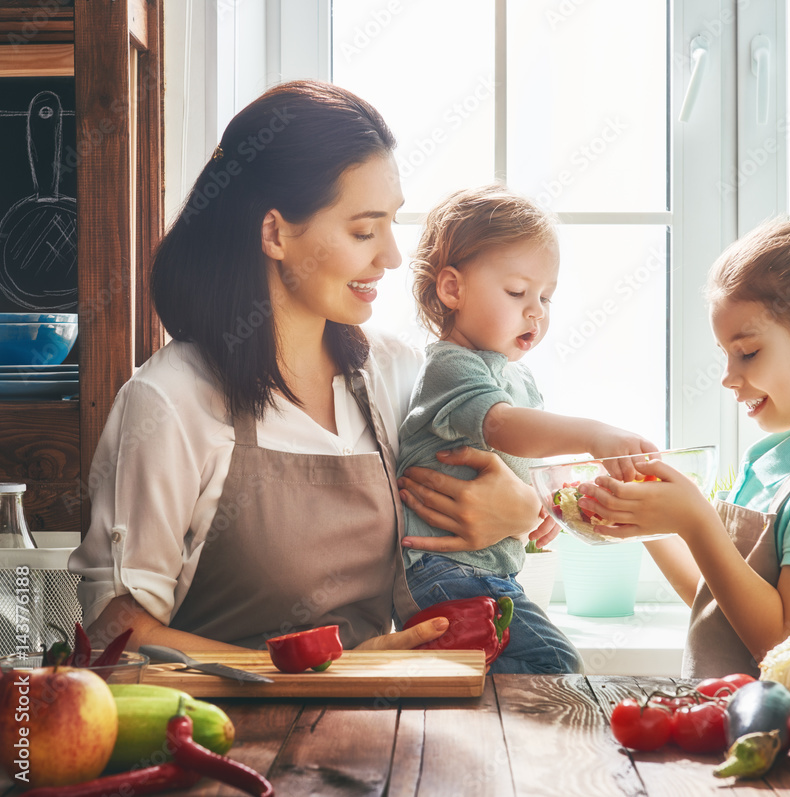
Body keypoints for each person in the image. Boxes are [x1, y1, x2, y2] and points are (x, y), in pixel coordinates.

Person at [68, 81, 556, 653]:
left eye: (391, 225)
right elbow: (113, 632)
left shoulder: (395, 374)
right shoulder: (171, 400)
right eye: (362, 231)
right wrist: (304, 670)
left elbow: (452, 548)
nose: (392, 257)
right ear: (275, 233)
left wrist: (521, 512)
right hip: (227, 730)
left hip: (382, 726)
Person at [578, 219, 790, 677]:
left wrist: (695, 520)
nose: (727, 376)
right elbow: (715, 602)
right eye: (725, 354)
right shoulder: (772, 462)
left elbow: (789, 647)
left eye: (748, 352)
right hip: (738, 727)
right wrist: (648, 521)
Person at [396, 185, 658, 673]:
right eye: (517, 292)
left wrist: (546, 505)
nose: (536, 310)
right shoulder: (450, 365)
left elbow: (526, 456)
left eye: (546, 296)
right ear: (452, 289)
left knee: (519, 671)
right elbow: (500, 426)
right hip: (445, 572)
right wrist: (593, 435)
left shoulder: (519, 378)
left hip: (487, 572)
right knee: (551, 663)